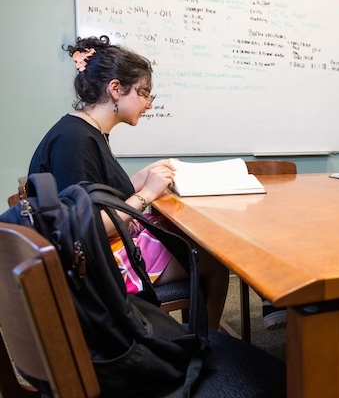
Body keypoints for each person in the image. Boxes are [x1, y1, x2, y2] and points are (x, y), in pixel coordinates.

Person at [28, 35, 230, 329]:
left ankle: (204, 337)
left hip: (101, 252)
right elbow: (87, 231)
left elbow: (98, 195)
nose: (148, 104)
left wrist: (138, 180)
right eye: (144, 93)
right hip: (97, 269)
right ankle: (213, 345)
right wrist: (145, 194)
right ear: (115, 89)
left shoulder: (86, 131)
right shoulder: (75, 141)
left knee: (196, 243)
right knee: (213, 261)